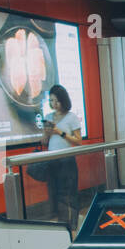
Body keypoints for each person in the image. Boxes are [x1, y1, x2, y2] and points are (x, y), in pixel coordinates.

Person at [41, 84, 83, 231]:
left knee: (69, 193)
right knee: (55, 192)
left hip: (67, 160)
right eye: (51, 101)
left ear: (63, 100)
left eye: (56, 101)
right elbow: (44, 142)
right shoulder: (48, 117)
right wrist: (46, 133)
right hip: (52, 160)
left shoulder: (71, 117)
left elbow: (79, 140)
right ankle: (60, 224)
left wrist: (60, 132)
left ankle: (72, 225)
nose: (54, 104)